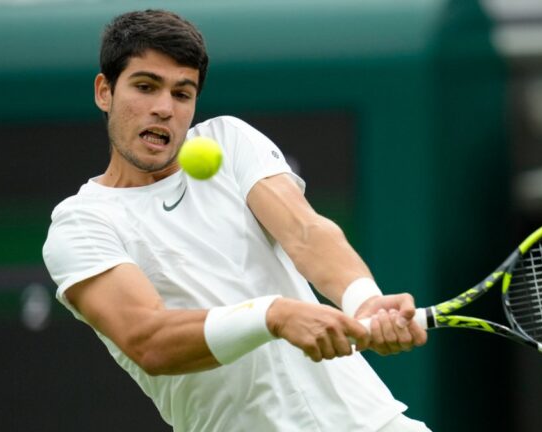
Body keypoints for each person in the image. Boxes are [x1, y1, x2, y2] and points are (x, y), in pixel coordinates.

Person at [42, 9, 429, 432]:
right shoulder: (79, 224)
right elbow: (148, 339)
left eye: (182, 93)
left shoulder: (229, 140)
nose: (163, 108)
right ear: (104, 91)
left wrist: (363, 300)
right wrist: (272, 316)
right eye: (145, 86)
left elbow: (305, 231)